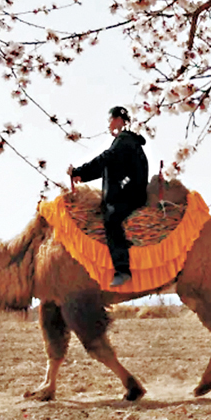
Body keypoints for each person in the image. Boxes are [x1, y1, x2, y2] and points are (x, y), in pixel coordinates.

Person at [68, 106, 149, 287]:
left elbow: (106, 159)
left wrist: (79, 171)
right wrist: (82, 175)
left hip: (129, 193)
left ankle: (122, 269)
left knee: (112, 220)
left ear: (119, 119)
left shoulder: (124, 140)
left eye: (110, 120)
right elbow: (106, 165)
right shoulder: (126, 142)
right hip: (128, 192)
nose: (109, 124)